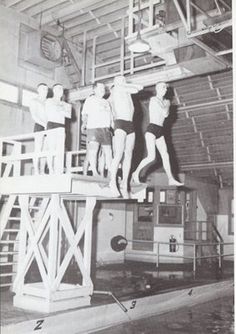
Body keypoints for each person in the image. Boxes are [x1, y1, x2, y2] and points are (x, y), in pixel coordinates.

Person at [132, 81, 183, 186]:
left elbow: (166, 113)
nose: (164, 89)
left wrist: (167, 104)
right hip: (152, 129)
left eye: (165, 88)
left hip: (160, 130)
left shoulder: (165, 101)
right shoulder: (154, 99)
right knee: (151, 157)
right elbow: (165, 113)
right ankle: (136, 172)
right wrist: (167, 104)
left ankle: (170, 178)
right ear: (157, 89)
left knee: (165, 154)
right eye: (162, 87)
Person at [109, 75, 143, 198]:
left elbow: (139, 88)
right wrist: (122, 85)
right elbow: (137, 89)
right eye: (120, 80)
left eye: (124, 80)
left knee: (128, 154)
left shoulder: (126, 93)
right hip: (120, 122)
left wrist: (125, 84)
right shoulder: (116, 90)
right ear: (115, 82)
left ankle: (125, 183)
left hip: (130, 124)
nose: (122, 82)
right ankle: (112, 182)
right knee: (119, 153)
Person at [81, 82, 113, 177]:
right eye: (100, 88)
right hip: (94, 128)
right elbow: (85, 114)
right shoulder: (90, 100)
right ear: (94, 90)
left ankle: (111, 173)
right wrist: (84, 123)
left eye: (104, 89)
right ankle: (95, 172)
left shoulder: (106, 102)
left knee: (108, 151)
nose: (103, 90)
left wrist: (114, 128)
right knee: (93, 151)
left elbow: (110, 118)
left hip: (105, 129)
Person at [45, 83, 72, 173]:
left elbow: (68, 115)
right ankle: (51, 169)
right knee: (51, 148)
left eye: (61, 89)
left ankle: (58, 169)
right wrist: (61, 110)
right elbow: (50, 112)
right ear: (53, 90)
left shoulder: (66, 104)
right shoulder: (49, 101)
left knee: (60, 149)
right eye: (58, 89)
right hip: (52, 124)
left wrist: (59, 110)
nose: (60, 90)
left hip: (61, 125)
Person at [29, 83, 48, 175]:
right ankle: (36, 170)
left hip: (48, 127)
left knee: (45, 150)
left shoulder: (48, 102)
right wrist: (44, 124)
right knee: (38, 148)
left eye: (46, 89)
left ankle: (42, 170)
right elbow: (34, 116)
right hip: (40, 126)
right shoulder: (34, 101)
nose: (45, 91)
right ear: (38, 90)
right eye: (43, 89)